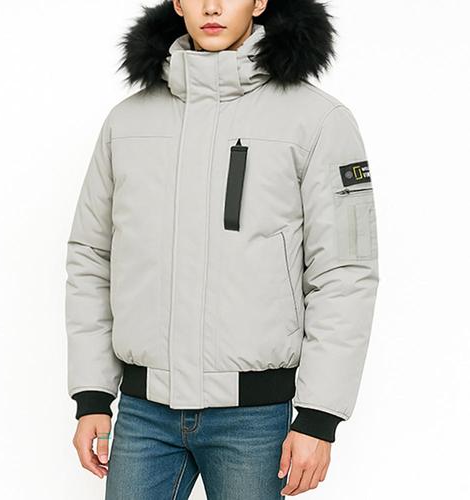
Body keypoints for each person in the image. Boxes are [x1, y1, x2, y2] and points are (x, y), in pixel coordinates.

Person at [65, 0, 379, 498]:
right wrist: (92, 396)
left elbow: (345, 272)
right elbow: (91, 257)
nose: (212, 6)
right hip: (143, 414)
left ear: (260, 2)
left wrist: (319, 417)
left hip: (254, 419)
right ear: (177, 3)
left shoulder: (318, 121)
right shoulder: (126, 123)